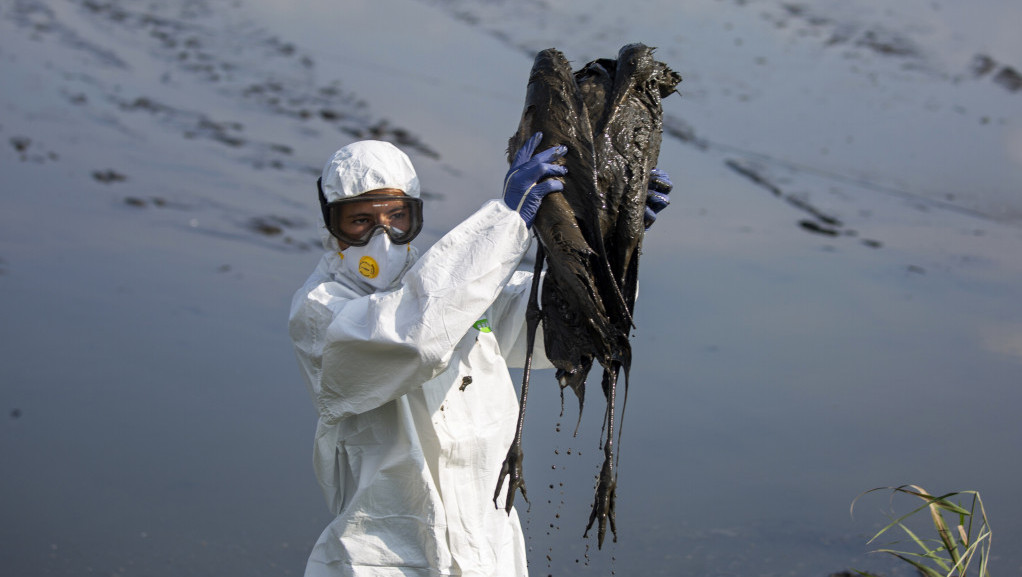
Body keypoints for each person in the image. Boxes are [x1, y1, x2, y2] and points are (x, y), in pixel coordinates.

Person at [288, 134, 672, 577]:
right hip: (387, 556)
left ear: (417, 216)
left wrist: (609, 245)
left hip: (486, 552)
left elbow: (566, 328)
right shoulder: (320, 311)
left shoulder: (461, 286)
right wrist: (504, 223)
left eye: (398, 216)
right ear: (329, 226)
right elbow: (414, 337)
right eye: (359, 220)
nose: (382, 234)